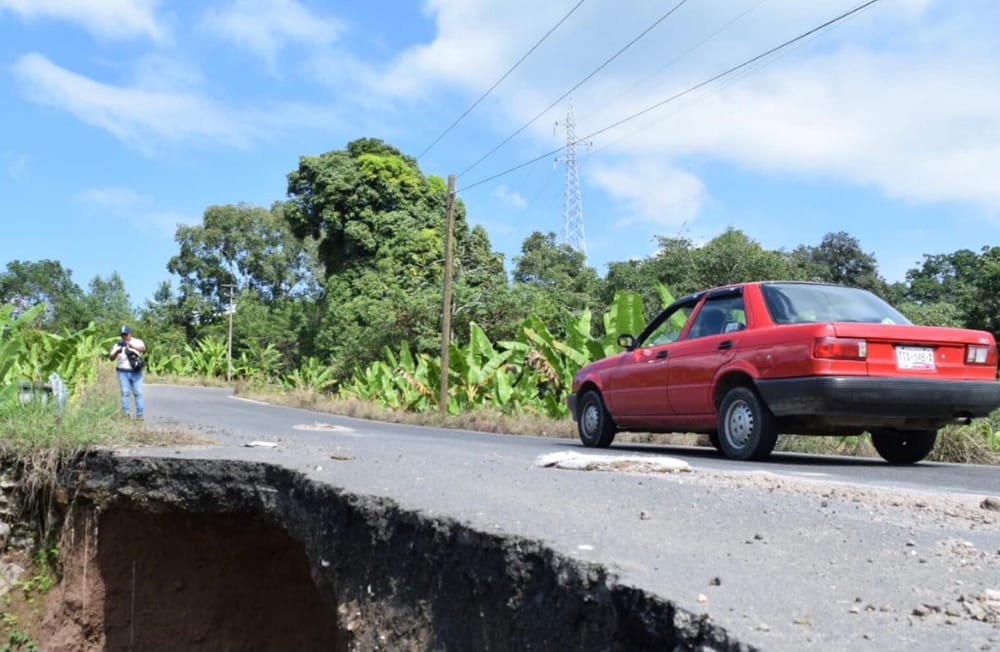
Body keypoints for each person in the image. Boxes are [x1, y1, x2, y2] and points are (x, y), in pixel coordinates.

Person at [108, 325, 146, 419]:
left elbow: (143, 349)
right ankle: (126, 414)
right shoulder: (118, 344)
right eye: (122, 335)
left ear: (130, 334)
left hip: (135, 370)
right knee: (125, 393)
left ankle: (140, 414)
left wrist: (132, 346)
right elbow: (111, 358)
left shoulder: (137, 341)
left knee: (138, 393)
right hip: (122, 371)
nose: (124, 337)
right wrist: (117, 352)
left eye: (126, 334)